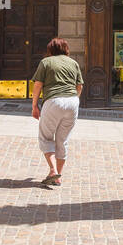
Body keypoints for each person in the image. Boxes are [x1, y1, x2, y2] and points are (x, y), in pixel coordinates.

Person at [31, 38, 83, 186]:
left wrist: (34, 106)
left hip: (53, 101)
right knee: (63, 140)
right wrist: (74, 100)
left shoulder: (46, 62)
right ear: (66, 49)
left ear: (50, 50)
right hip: (72, 101)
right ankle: (58, 176)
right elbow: (79, 86)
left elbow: (38, 85)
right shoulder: (74, 63)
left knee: (46, 137)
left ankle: (53, 170)